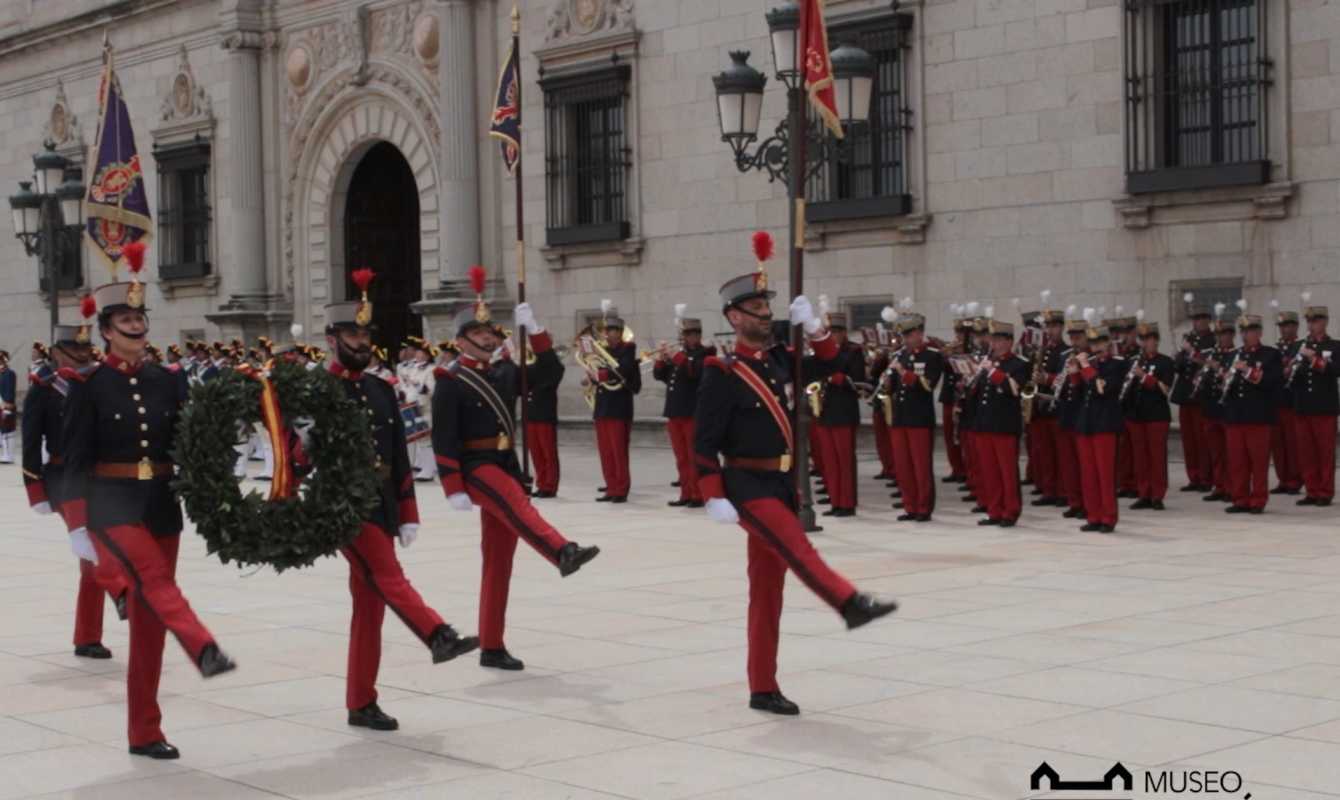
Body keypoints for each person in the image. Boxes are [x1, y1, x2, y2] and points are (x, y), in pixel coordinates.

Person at [694, 251, 897, 716]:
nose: (767, 317)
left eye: (769, 310)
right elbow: (702, 441)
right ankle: (848, 602)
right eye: (757, 312)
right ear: (734, 317)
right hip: (746, 484)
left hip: (782, 482)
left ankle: (762, 686)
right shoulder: (720, 373)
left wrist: (817, 330)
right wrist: (713, 495)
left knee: (767, 593)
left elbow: (832, 364)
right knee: (797, 546)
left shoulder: (782, 361)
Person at [61, 249, 236, 759]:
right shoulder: (89, 386)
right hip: (111, 503)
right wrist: (77, 524)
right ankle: (203, 646)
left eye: (140, 317)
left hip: (160, 502)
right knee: (155, 580)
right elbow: (73, 459)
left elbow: (188, 442)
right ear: (106, 332)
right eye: (126, 320)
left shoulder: (169, 380)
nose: (137, 326)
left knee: (148, 624)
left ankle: (145, 731)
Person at [323, 274, 480, 732]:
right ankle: (436, 633)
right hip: (340, 506)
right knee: (389, 577)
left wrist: (408, 512)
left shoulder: (379, 389)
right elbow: (293, 454)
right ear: (333, 339)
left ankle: (361, 701)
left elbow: (397, 456)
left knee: (369, 608)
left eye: (365, 334)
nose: (360, 341)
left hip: (381, 503)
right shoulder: (317, 389)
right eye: (352, 334)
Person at [433, 291, 601, 672]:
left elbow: (550, 374)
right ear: (461, 340)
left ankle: (491, 645)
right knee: (517, 503)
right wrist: (452, 486)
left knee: (498, 562)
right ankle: (562, 551)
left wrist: (536, 331)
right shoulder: (450, 379)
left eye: (491, 331)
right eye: (479, 333)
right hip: (476, 465)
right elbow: (442, 436)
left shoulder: (504, 371)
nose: (490, 338)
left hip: (504, 461)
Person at [23, 310, 132, 659]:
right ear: (57, 352)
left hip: (99, 478)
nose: (84, 354)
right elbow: (29, 442)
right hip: (61, 480)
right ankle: (122, 591)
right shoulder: (43, 389)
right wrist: (35, 490)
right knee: (91, 543)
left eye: (87, 348)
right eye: (74, 349)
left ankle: (87, 637)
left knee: (89, 562)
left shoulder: (100, 382)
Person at [967, 320, 1029, 527]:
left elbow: (1014, 389)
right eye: (993, 340)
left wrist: (993, 372)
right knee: (990, 471)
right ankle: (994, 511)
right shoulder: (988, 362)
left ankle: (1010, 512)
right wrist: (970, 376)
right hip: (984, 424)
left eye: (1000, 340)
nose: (995, 344)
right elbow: (977, 394)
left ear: (1009, 342)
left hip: (1004, 425)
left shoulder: (1019, 363)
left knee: (1007, 472)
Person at [1221, 313, 1282, 514]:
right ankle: (1240, 499)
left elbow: (1271, 382)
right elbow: (1226, 386)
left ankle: (1258, 500)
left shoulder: (1270, 355)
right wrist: (1225, 379)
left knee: (1258, 462)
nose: (1247, 335)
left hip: (1258, 416)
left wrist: (1247, 371)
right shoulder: (1232, 355)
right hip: (1235, 416)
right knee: (1237, 461)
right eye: (1244, 331)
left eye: (1252, 331)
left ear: (1260, 332)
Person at [883, 312, 942, 521]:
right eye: (904, 337)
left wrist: (903, 373)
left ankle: (924, 508)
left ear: (919, 333)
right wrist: (887, 380)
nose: (906, 340)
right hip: (900, 417)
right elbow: (893, 387)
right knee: (903, 465)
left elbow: (928, 385)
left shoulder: (933, 356)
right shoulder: (902, 355)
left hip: (919, 418)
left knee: (921, 466)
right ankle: (910, 506)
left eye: (909, 335)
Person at [806, 312, 866, 517]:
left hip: (844, 411)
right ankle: (835, 500)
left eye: (838, 332)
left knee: (844, 460)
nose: (834, 336)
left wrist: (840, 378)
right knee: (830, 461)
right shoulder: (821, 353)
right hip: (824, 410)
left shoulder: (853, 351)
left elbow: (859, 381)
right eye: (831, 332)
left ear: (844, 333)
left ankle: (847, 503)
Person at [654, 313, 714, 507]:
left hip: (691, 411)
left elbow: (695, 372)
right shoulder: (680, 355)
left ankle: (698, 494)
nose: (690, 338)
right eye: (687, 334)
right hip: (675, 411)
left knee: (692, 456)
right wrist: (661, 359)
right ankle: (686, 493)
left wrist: (677, 357)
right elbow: (661, 376)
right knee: (681, 457)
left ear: (698, 335)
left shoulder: (705, 353)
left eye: (693, 334)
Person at [588, 309, 640, 502]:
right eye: (607, 330)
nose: (609, 334)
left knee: (618, 452)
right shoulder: (602, 351)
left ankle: (621, 489)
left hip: (618, 407)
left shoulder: (627, 349)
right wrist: (590, 378)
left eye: (613, 330)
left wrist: (600, 375)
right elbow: (597, 371)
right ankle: (610, 487)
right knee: (606, 452)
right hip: (602, 406)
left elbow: (624, 369)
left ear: (619, 332)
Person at [1123, 320, 1174, 511]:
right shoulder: (1135, 361)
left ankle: (1157, 495)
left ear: (1157, 340)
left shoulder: (1165, 362)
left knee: (1156, 457)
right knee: (1140, 457)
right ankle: (1143, 493)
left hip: (1156, 416)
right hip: (1136, 415)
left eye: (1149, 339)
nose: (1145, 343)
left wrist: (1143, 376)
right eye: (1142, 339)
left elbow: (1164, 389)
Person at [1291, 303, 1338, 506]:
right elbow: (1291, 377)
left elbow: (1336, 370)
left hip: (1324, 407)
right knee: (1306, 452)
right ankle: (1311, 490)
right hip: (1303, 406)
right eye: (1309, 321)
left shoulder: (1335, 346)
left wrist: (1314, 359)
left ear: (1325, 322)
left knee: (1324, 452)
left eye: (1316, 321)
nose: (1312, 325)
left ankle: (1325, 492)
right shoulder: (1298, 346)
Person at [1171, 305, 1216, 491]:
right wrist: (1181, 354)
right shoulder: (1188, 339)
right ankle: (1194, 477)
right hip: (1185, 395)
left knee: (1201, 440)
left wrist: (1192, 353)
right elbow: (1178, 366)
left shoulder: (1212, 340)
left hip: (1200, 396)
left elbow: (1209, 364)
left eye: (1202, 319)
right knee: (1188, 440)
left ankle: (1206, 478)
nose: (1199, 323)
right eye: (1196, 320)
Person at [518, 318, 565, 498]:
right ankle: (541, 483)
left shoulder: (555, 365)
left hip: (545, 414)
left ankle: (550, 485)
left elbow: (549, 375)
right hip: (531, 414)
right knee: (536, 453)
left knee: (548, 452)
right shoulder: (533, 365)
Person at [1054, 314, 1090, 519]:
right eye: (1072, 336)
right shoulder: (1065, 356)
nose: (1075, 340)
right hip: (1066, 413)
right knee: (1068, 463)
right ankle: (1074, 501)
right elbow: (1061, 381)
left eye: (1079, 336)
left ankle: (1087, 502)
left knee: (1083, 464)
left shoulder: (1090, 358)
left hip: (1082, 414)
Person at [1270, 310, 1304, 496]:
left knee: (1292, 444)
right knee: (1278, 445)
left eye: (1288, 326)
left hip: (1292, 402)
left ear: (1295, 327)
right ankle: (1282, 479)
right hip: (1277, 402)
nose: (1285, 330)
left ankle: (1295, 480)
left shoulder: (1301, 347)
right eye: (1282, 326)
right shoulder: (1275, 350)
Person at [0, 349, 16, 463]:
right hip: (1, 404)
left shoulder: (9, 373)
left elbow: (9, 391)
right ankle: (5, 454)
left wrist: (7, 406)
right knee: (2, 432)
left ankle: (9, 455)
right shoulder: (1, 373)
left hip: (6, 405)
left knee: (7, 432)